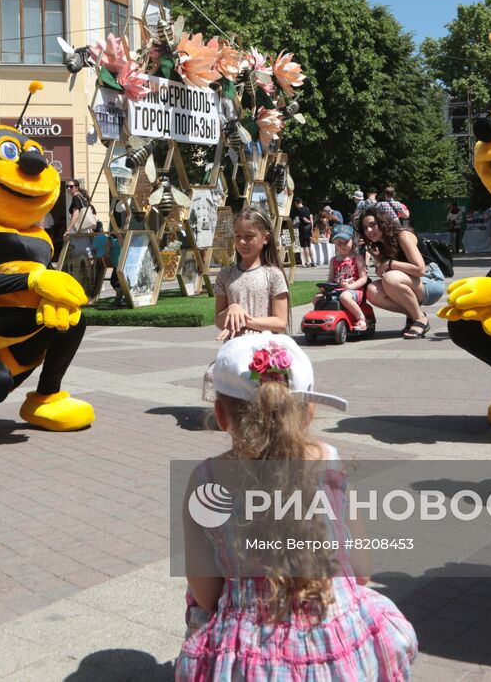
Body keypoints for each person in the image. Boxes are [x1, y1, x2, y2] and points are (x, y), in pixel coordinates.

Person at [178, 334, 418, 680]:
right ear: (309, 411)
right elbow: (362, 570)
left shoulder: (205, 480)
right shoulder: (329, 460)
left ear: (220, 414)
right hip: (338, 638)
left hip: (250, 658)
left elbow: (206, 594)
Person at [357, 206, 445, 340]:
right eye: (364, 227)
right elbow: (383, 275)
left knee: (391, 278)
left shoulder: (403, 235)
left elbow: (420, 269)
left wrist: (388, 263)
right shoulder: (381, 243)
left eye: (372, 225)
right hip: (412, 281)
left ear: (383, 223)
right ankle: (413, 314)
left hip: (431, 280)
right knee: (372, 291)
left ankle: (420, 319)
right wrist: (376, 256)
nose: (368, 230)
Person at [214, 208, 290, 342]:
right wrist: (232, 308)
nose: (242, 242)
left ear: (265, 238)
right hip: (235, 349)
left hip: (264, 351)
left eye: (249, 236)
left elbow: (280, 323)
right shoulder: (225, 275)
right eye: (238, 236)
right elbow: (219, 322)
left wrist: (244, 320)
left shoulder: (273, 275)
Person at [314, 225, 369, 331]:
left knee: (344, 296)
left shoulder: (357, 257)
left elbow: (363, 278)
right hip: (336, 290)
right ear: (334, 243)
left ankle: (361, 318)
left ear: (352, 241)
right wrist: (325, 288)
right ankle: (320, 319)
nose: (343, 245)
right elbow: (331, 279)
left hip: (354, 291)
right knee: (317, 297)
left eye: (346, 242)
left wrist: (350, 286)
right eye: (339, 242)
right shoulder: (333, 260)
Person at [291, 199, 315, 268]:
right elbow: (311, 218)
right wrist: (311, 227)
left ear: (296, 203)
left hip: (303, 228)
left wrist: (308, 222)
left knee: (305, 246)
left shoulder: (299, 210)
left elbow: (304, 219)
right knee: (309, 245)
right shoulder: (307, 209)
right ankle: (313, 261)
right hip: (309, 228)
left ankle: (308, 262)